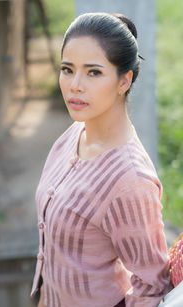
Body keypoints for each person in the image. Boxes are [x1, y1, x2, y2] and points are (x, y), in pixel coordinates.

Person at [30, 12, 172, 307]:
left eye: (93, 72)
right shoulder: (75, 133)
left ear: (124, 81)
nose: (75, 85)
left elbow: (153, 287)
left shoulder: (130, 180)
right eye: (67, 69)